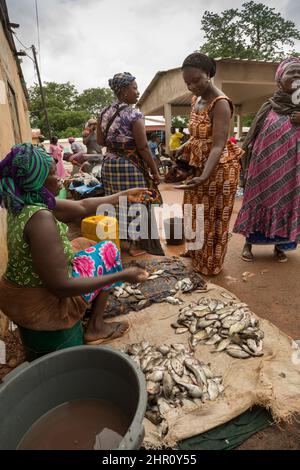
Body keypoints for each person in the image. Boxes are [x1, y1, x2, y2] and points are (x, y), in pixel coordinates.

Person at [0, 143, 150, 360]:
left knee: (84, 242)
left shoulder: (24, 202)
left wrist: (124, 194)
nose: (60, 177)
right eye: (53, 173)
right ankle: (95, 326)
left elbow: (82, 207)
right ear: (38, 180)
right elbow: (61, 287)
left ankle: (91, 312)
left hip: (19, 291)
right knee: (108, 250)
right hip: (42, 303)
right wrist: (122, 275)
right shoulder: (40, 219)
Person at [174, 52, 243, 276]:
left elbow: (218, 145)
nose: (192, 86)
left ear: (209, 74)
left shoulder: (220, 103)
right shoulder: (196, 100)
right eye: (187, 82)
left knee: (213, 219)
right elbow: (197, 135)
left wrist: (204, 175)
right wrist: (182, 147)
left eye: (196, 80)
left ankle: (210, 264)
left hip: (219, 170)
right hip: (198, 166)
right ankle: (195, 252)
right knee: (194, 212)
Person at [234, 57, 300, 263]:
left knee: (286, 205)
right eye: (292, 73)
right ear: (279, 79)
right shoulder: (269, 107)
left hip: (290, 172)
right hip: (262, 169)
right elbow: (251, 136)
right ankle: (249, 243)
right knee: (256, 201)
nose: (297, 77)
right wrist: (237, 157)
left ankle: (281, 246)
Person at [97, 72, 164, 257]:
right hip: (130, 165)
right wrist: (155, 172)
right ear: (124, 91)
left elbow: (101, 141)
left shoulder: (103, 112)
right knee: (136, 204)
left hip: (109, 164)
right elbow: (143, 147)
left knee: (115, 203)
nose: (137, 92)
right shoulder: (134, 113)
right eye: (134, 88)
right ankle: (136, 245)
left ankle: (116, 242)